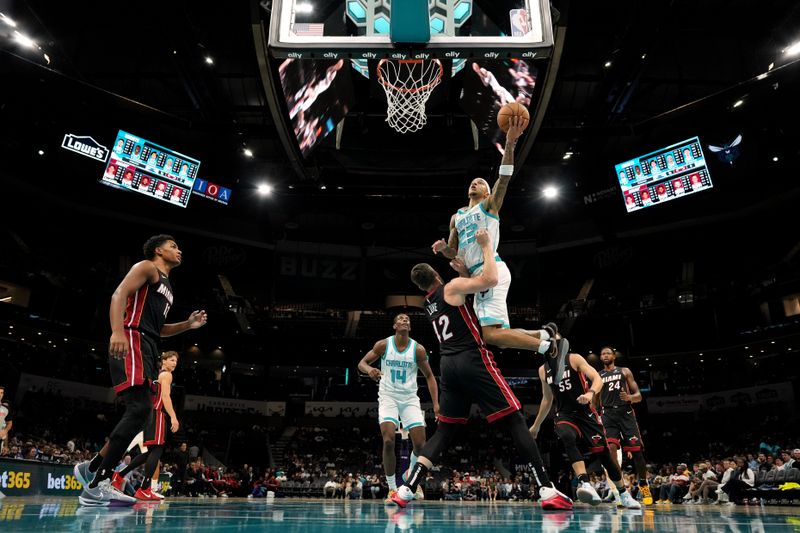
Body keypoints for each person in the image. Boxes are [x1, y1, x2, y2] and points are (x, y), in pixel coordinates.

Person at [389, 229, 572, 510]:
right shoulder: (451, 287)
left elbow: (463, 301)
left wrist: (462, 270)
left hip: (448, 366)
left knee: (444, 433)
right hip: (472, 360)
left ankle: (406, 488)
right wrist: (486, 246)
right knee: (514, 420)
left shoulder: (428, 303)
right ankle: (546, 489)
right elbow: (489, 279)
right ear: (437, 276)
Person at [74, 234, 207, 506]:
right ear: (158, 250)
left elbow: (159, 329)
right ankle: (97, 483)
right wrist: (117, 332)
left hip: (148, 343)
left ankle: (91, 468)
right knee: (140, 409)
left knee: (139, 410)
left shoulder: (168, 286)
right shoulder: (147, 267)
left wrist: (188, 325)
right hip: (132, 338)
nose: (179, 250)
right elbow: (119, 294)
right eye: (173, 246)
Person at [431, 115, 561, 357]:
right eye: (473, 181)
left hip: (490, 269)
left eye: (480, 182)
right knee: (500, 338)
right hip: (475, 277)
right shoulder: (456, 216)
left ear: (488, 191)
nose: (475, 183)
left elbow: (504, 179)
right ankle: (545, 335)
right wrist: (442, 249)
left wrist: (510, 145)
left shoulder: (490, 205)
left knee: (489, 335)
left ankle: (547, 348)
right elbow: (453, 252)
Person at [529, 346, 641, 509]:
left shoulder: (574, 358)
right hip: (564, 414)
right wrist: (536, 425)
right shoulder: (543, 370)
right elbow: (547, 399)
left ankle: (623, 494)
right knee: (567, 437)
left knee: (605, 456)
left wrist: (590, 393)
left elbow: (598, 379)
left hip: (586, 413)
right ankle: (585, 482)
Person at [357, 314, 439, 503]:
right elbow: (361, 363)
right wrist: (370, 370)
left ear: (409, 327)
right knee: (388, 441)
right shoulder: (383, 345)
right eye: (400, 318)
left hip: (410, 398)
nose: (404, 320)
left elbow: (430, 376)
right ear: (395, 325)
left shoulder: (417, 350)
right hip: (388, 397)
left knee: (421, 446)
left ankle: (411, 476)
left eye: (407, 319)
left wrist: (436, 404)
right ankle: (393, 489)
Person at [112, 351, 181, 501]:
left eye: (176, 361)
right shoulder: (167, 375)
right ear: (163, 360)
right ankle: (144, 489)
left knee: (149, 453)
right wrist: (174, 417)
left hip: (149, 414)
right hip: (157, 414)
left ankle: (120, 475)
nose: (174, 363)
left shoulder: (157, 374)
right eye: (171, 360)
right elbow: (165, 397)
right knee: (156, 450)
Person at [598, 347, 653, 505]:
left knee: (637, 453)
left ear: (614, 356)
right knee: (611, 452)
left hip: (625, 413)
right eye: (603, 354)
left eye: (608, 353)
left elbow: (639, 396)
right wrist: (595, 417)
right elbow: (595, 400)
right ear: (601, 358)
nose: (605, 355)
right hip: (607, 415)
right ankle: (620, 490)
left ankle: (643, 484)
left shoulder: (625, 371)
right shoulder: (598, 375)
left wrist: (629, 397)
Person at [0, 385, 12, 455]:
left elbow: (9, 424)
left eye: (2, 393)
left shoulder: (6, 408)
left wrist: (5, 445)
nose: (0, 395)